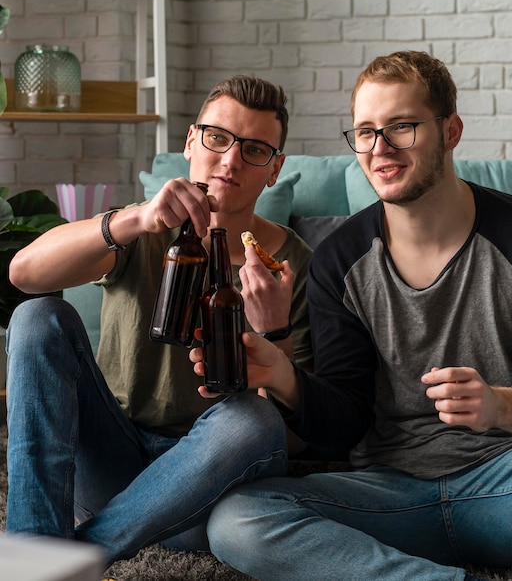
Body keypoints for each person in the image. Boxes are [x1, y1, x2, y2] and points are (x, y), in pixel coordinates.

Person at [201, 51, 512, 581]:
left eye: (401, 127)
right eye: (365, 132)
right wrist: (283, 377)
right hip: (391, 496)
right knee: (238, 519)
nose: (380, 149)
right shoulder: (339, 260)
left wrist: (503, 406)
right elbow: (345, 419)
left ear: (450, 131)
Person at [4, 75, 311, 566]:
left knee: (254, 420)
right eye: (218, 138)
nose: (230, 160)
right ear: (191, 141)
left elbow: (294, 437)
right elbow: (23, 274)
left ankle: (56, 562)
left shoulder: (292, 267)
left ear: (274, 169)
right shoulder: (144, 229)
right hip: (113, 463)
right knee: (38, 317)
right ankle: (36, 549)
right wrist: (135, 219)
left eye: (254, 150)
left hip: (205, 488)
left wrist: (274, 334)